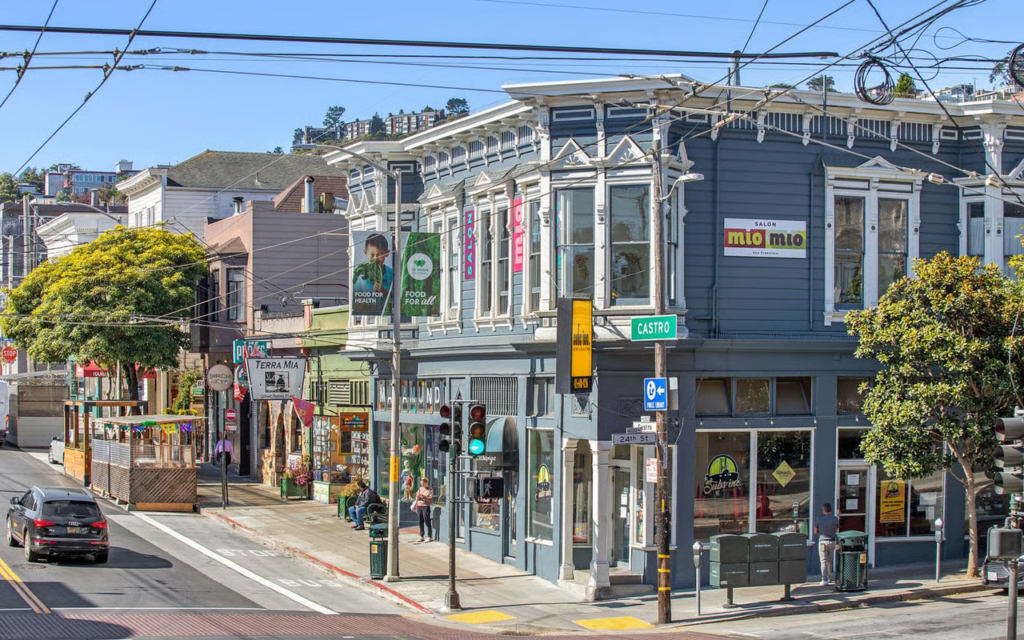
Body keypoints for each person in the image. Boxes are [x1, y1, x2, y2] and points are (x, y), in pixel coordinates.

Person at [814, 502, 841, 586]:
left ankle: (823, 579)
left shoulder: (819, 518)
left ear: (823, 510)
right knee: (830, 560)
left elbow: (815, 531)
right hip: (832, 541)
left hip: (822, 541)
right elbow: (837, 531)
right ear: (831, 510)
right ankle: (829, 578)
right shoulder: (835, 519)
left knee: (823, 561)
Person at [413, 478, 434, 542]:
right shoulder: (420, 489)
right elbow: (417, 497)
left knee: (427, 520)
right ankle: (421, 535)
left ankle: (429, 536)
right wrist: (417, 498)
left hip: (425, 506)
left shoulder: (430, 490)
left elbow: (430, 499)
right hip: (419, 505)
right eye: (421, 484)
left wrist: (423, 497)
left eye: (423, 484)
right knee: (420, 521)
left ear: (426, 483)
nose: (422, 485)